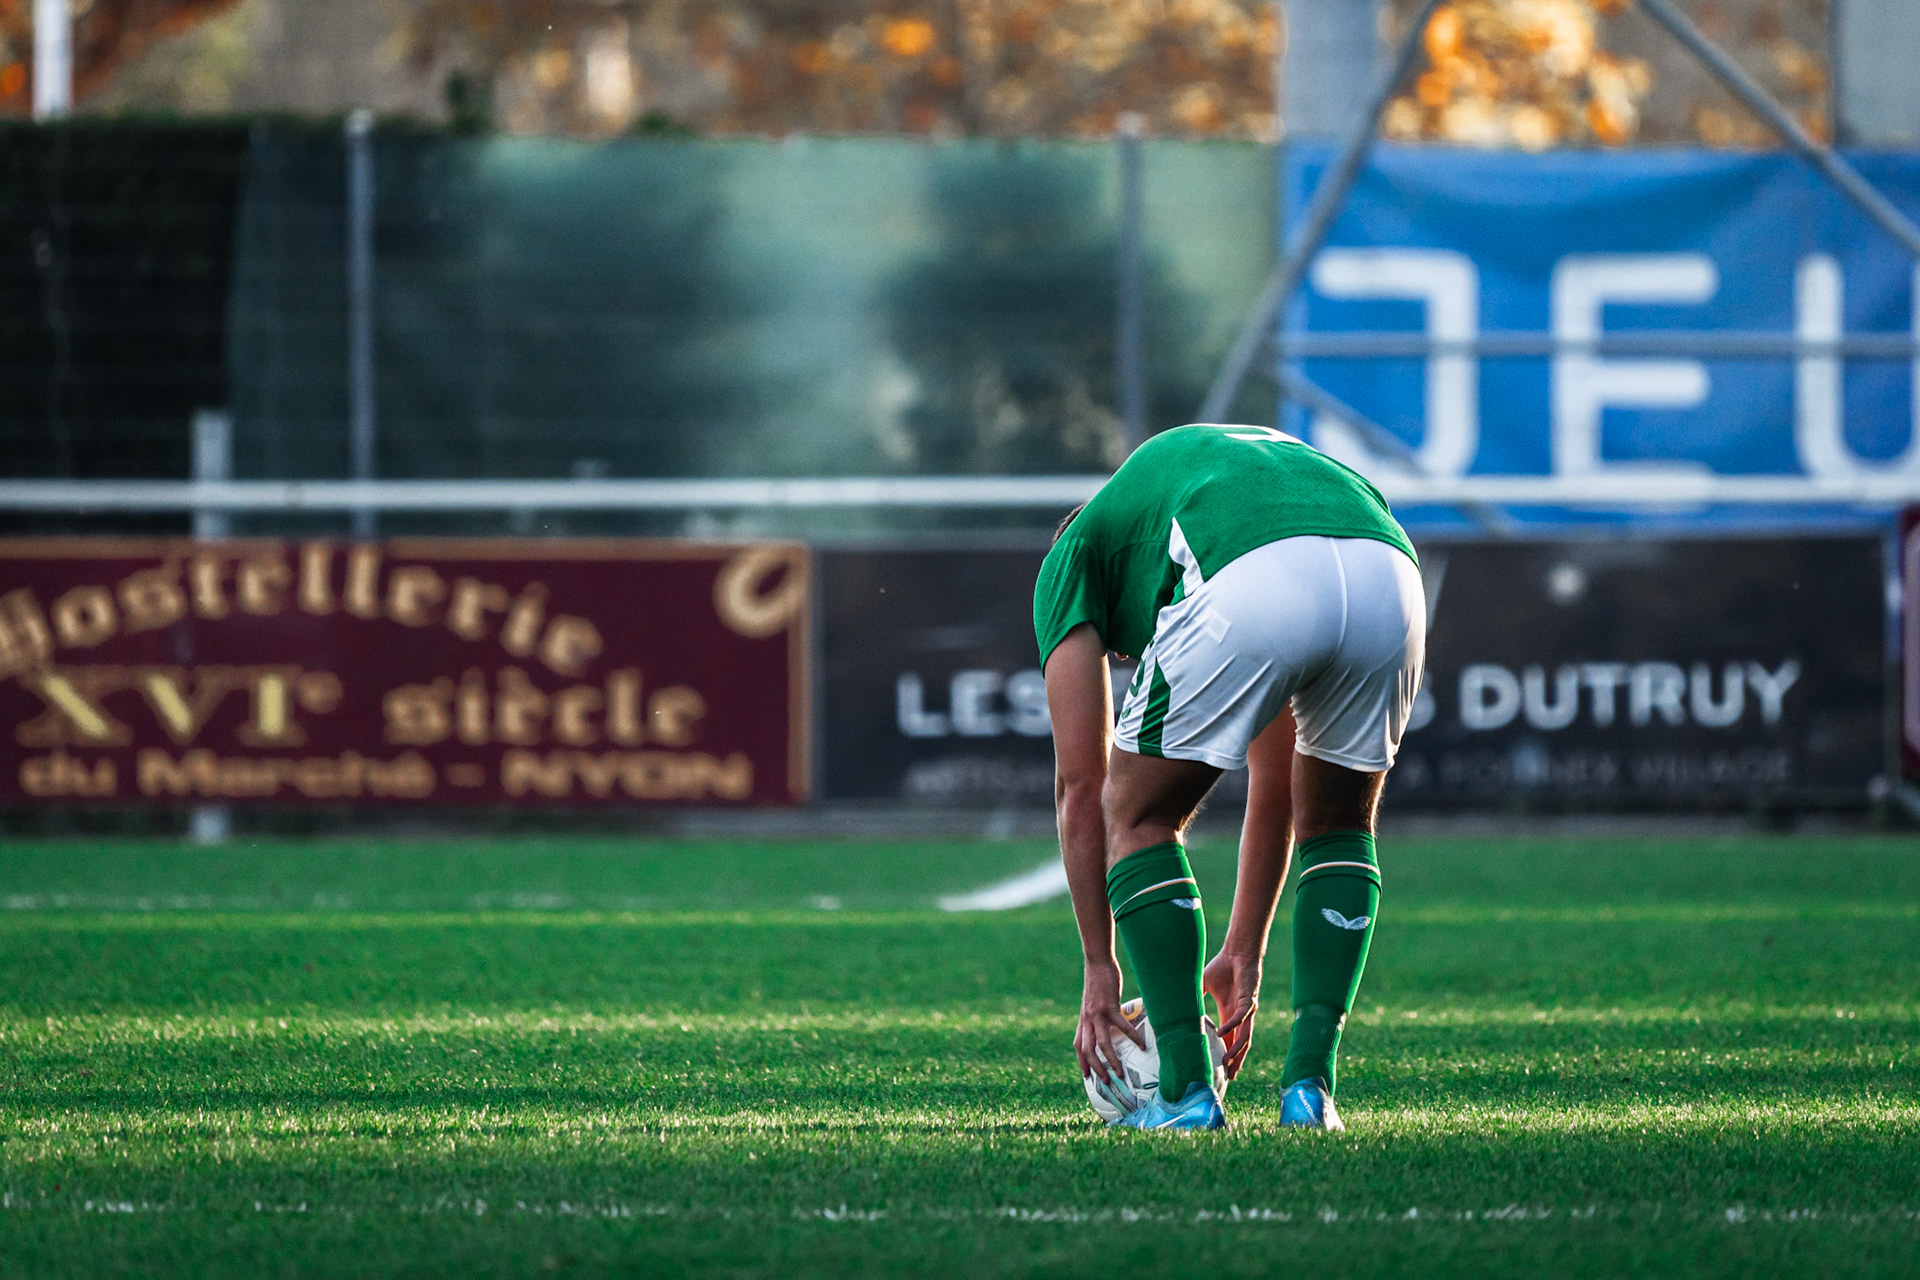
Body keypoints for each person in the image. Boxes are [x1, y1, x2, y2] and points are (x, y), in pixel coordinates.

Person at [1034, 422, 1425, 1131]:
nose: (1128, 657)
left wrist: (1101, 968)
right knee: (1339, 824)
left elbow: (1082, 790)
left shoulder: (1071, 556)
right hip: (1387, 566)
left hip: (1251, 573)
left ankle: (1184, 1092)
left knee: (1139, 817)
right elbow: (1274, 785)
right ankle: (1311, 1092)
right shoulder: (1201, 483)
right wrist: (1244, 945)